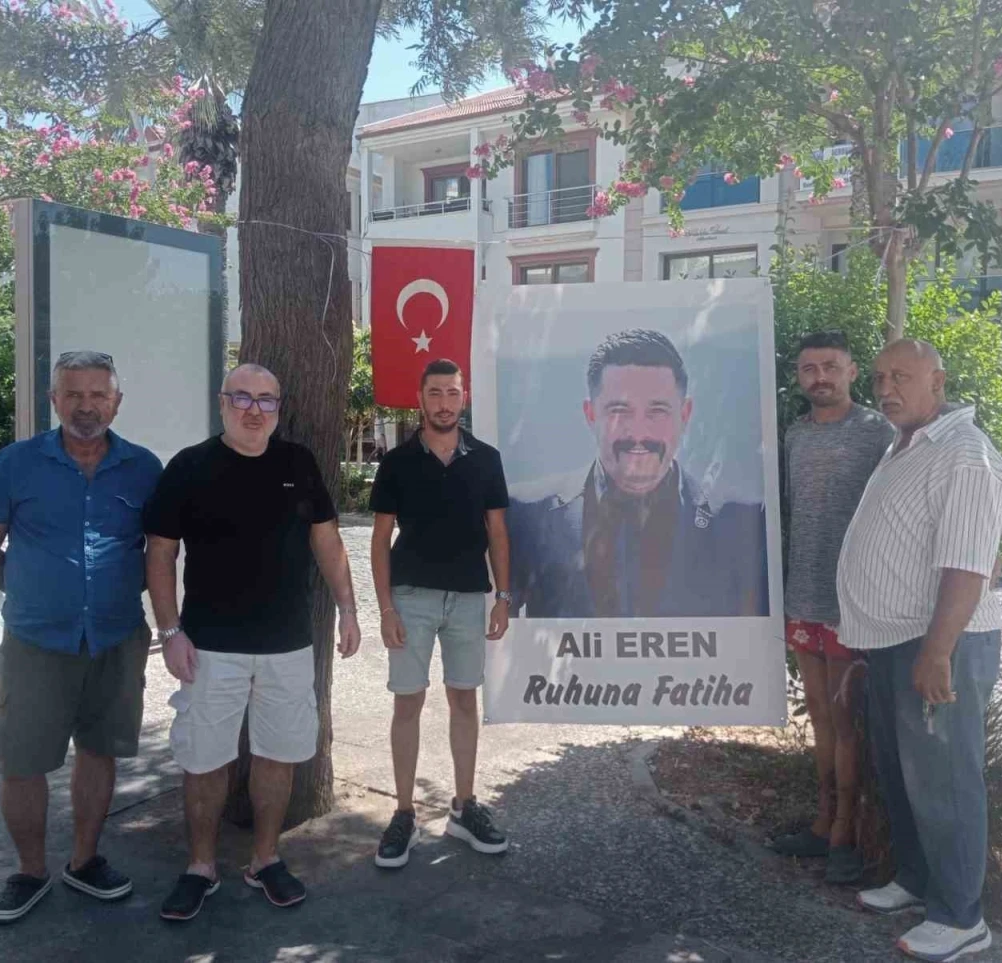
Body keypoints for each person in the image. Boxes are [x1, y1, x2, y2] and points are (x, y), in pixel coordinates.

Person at [143, 363, 360, 922]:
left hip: (288, 645)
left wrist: (349, 609)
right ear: (222, 403)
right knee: (204, 760)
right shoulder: (189, 467)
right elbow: (160, 553)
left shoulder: (298, 464)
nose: (254, 409)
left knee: (277, 756)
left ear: (278, 408)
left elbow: (328, 542)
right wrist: (169, 632)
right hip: (209, 647)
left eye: (266, 400)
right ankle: (200, 867)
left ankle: (265, 859)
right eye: (242, 397)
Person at [0, 350, 162, 924]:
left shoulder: (144, 468)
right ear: (54, 401)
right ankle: (30, 873)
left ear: (117, 403)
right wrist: (33, 593)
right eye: (73, 394)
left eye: (98, 395)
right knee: (22, 761)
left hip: (115, 638)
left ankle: (84, 860)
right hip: (36, 642)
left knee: (100, 750)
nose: (86, 406)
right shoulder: (14, 465)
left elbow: (157, 551)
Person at [837, 340, 1002, 962]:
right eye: (880, 377)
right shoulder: (907, 444)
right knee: (904, 774)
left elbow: (966, 565)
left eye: (902, 377)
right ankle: (916, 881)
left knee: (945, 780)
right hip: (895, 642)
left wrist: (937, 653)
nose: (886, 388)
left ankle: (962, 918)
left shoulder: (965, 454)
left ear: (938, 381)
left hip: (940, 642)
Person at [507, 328, 768, 618]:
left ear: (684, 415)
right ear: (590, 415)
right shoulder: (524, 512)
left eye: (657, 411)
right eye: (620, 411)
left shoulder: (742, 519)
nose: (639, 433)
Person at [368, 359, 512, 869]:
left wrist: (503, 596)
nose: (445, 403)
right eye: (435, 393)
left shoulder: (487, 459)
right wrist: (386, 607)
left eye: (452, 393)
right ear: (420, 398)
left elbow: (498, 532)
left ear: (463, 396)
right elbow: (379, 539)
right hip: (410, 597)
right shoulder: (398, 461)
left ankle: (464, 806)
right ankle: (404, 814)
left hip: (469, 597)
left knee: (464, 700)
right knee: (407, 702)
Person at [769, 332, 893, 884]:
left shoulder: (878, 432)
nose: (819, 377)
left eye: (830, 366)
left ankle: (848, 831)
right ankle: (823, 822)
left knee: (847, 723)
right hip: (803, 596)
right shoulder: (795, 435)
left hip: (852, 603)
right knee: (819, 715)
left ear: (852, 371)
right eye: (808, 369)